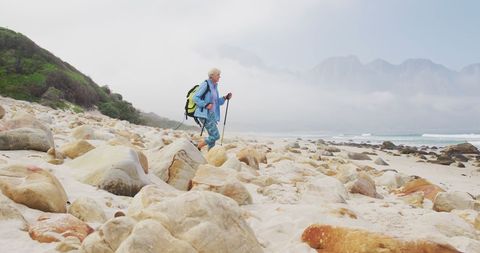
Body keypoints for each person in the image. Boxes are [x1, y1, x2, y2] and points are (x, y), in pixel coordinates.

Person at [193, 68, 232, 150]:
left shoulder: (214, 87)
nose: (219, 77)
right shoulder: (205, 84)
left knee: (212, 138)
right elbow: (195, 98)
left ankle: (210, 155)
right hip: (204, 114)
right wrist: (205, 104)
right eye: (218, 75)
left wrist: (225, 98)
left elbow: (217, 102)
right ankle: (199, 146)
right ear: (212, 75)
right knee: (216, 136)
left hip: (212, 115)